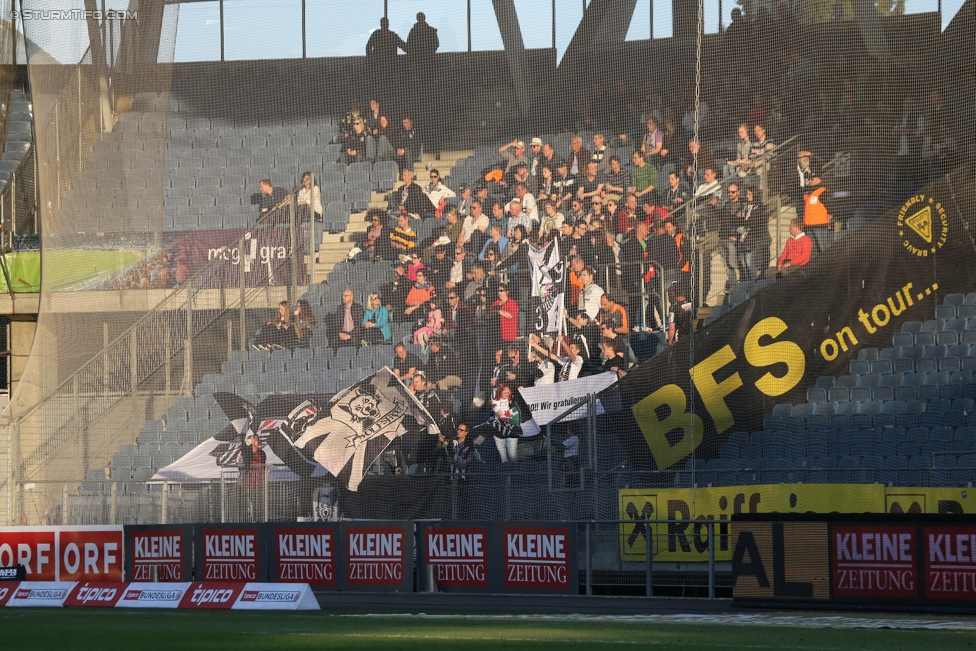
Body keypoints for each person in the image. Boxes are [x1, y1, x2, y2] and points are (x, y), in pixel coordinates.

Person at [365, 18, 406, 103]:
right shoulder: (376, 34)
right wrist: (371, 58)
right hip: (379, 66)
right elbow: (368, 47)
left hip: (390, 66)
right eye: (383, 23)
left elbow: (403, 45)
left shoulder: (392, 35)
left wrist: (414, 50)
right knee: (379, 86)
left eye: (385, 23)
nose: (384, 25)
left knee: (389, 87)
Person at [736, 187, 770, 282]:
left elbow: (753, 222)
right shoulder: (744, 205)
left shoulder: (759, 207)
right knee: (743, 262)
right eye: (747, 194)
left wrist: (744, 219)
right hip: (743, 237)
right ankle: (747, 281)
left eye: (749, 194)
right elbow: (737, 217)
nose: (747, 196)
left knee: (750, 261)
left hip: (753, 237)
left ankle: (753, 282)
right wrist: (744, 219)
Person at [239, 433, 266, 523]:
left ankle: (259, 520)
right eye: (255, 440)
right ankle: (249, 521)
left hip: (259, 483)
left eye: (257, 441)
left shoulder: (261, 453)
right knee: (249, 502)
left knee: (259, 503)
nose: (256, 443)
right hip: (249, 482)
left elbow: (262, 465)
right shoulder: (246, 452)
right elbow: (240, 464)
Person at [491, 383, 521, 463]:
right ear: (500, 392)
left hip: (512, 429)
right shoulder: (495, 402)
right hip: (499, 429)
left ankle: (514, 472)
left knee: (512, 455)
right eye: (504, 393)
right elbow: (501, 415)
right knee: (503, 457)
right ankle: (506, 473)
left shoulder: (512, 400)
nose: (506, 394)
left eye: (508, 392)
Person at [296, 172, 323, 253]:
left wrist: (298, 204)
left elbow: (309, 201)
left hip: (314, 212)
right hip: (304, 212)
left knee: (304, 206)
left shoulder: (315, 188)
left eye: (307, 178)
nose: (305, 180)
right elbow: (299, 201)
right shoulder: (301, 191)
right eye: (304, 178)